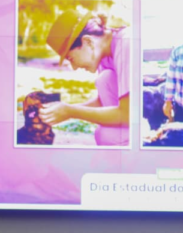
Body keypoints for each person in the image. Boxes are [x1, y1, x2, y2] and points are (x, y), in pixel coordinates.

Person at [40, 9, 130, 146]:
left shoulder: (126, 44)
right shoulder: (103, 55)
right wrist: (63, 111)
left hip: (150, 115)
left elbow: (128, 114)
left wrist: (70, 111)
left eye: (71, 58)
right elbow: (103, 102)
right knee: (104, 79)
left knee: (106, 136)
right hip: (134, 115)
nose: (74, 67)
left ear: (88, 42)